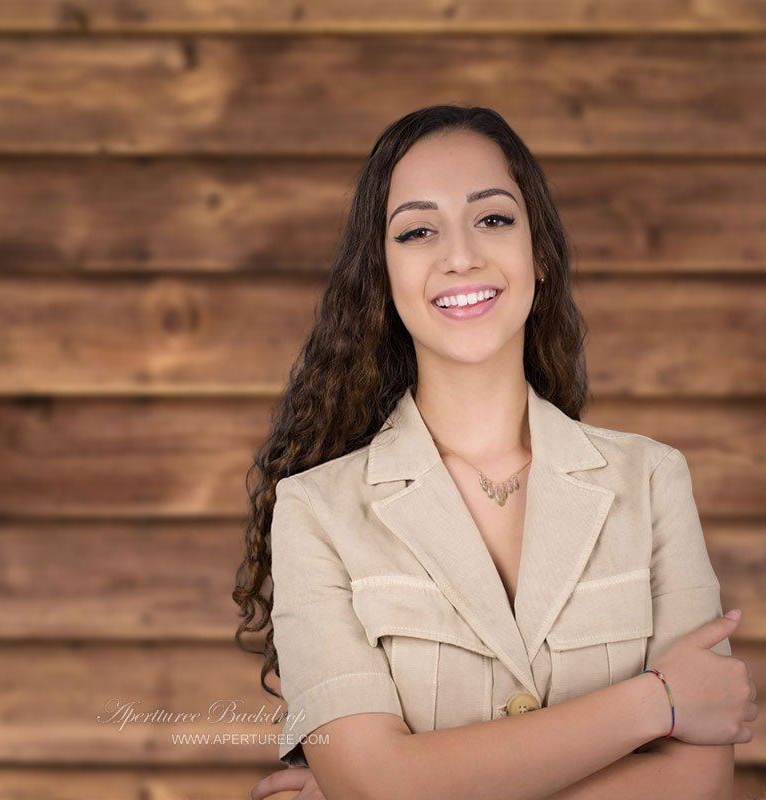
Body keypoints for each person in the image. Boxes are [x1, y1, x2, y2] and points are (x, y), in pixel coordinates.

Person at [234, 104, 758, 800]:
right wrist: (655, 703)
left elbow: (699, 784)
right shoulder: (314, 512)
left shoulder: (652, 480)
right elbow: (376, 785)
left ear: (537, 251)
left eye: (493, 218)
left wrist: (402, 786)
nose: (460, 255)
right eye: (418, 230)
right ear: (382, 277)